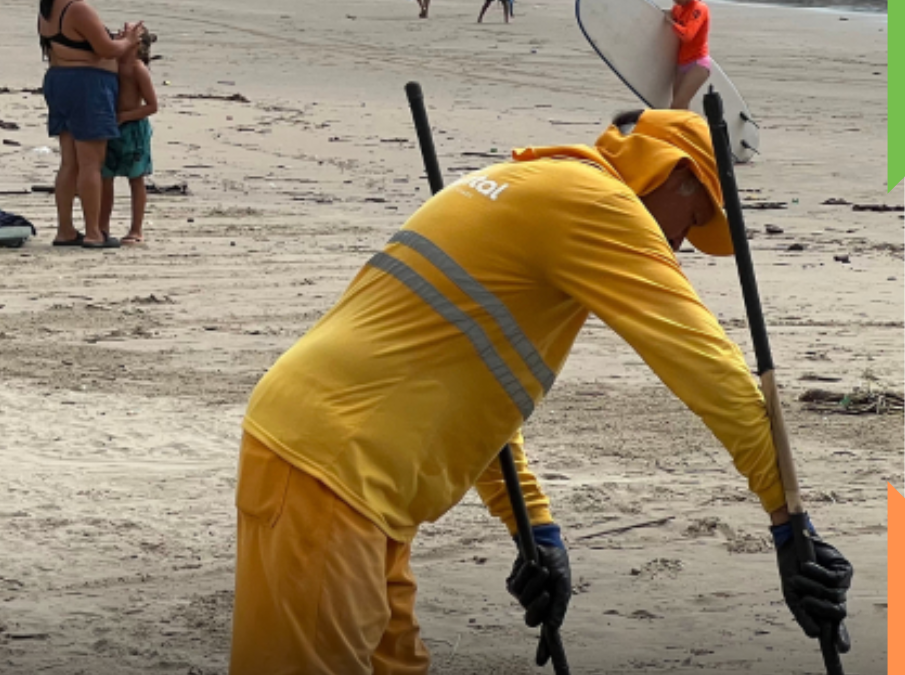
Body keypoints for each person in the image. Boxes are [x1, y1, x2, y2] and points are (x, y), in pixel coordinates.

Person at [228, 109, 853, 674]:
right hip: (330, 468)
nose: (683, 243)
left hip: (359, 477)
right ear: (677, 175)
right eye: (693, 219)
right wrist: (787, 521)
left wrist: (536, 530)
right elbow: (708, 367)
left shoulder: (537, 187)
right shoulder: (597, 203)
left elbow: (486, 390)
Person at [38, 0, 144, 249]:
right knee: (91, 163)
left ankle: (65, 229)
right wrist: (129, 39)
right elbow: (106, 49)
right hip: (87, 86)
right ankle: (94, 232)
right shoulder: (77, 8)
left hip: (60, 80)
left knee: (69, 162)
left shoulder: (48, 9)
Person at [98, 26, 158, 246]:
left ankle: (136, 229)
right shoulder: (112, 63)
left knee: (136, 179)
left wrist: (126, 116)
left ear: (137, 43)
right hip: (111, 127)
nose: (119, 34)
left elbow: (152, 106)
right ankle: (102, 226)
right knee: (106, 178)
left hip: (133, 130)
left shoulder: (137, 68)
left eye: (125, 32)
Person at [666, 0, 712, 109]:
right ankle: (686, 126)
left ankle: (696, 125)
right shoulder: (677, 8)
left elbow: (688, 35)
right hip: (682, 63)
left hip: (698, 63)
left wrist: (672, 23)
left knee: (677, 105)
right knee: (680, 108)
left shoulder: (699, 8)